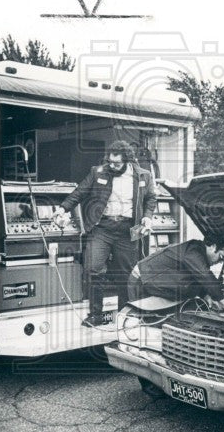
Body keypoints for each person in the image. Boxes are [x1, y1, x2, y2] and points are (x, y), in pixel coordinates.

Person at [53, 140, 156, 328]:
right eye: (110, 162)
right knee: (93, 268)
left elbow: (151, 199)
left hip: (127, 230)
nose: (112, 166)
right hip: (103, 228)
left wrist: (148, 217)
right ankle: (96, 315)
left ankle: (125, 315)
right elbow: (80, 192)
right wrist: (63, 208)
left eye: (117, 163)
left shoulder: (144, 176)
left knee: (125, 274)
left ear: (128, 160)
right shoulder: (98, 172)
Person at [127, 234, 224, 313]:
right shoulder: (193, 252)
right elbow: (205, 276)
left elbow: (196, 280)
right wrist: (223, 302)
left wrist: (206, 296)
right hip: (141, 282)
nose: (220, 262)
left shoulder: (199, 256)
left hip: (153, 283)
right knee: (141, 324)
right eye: (221, 257)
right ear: (213, 247)